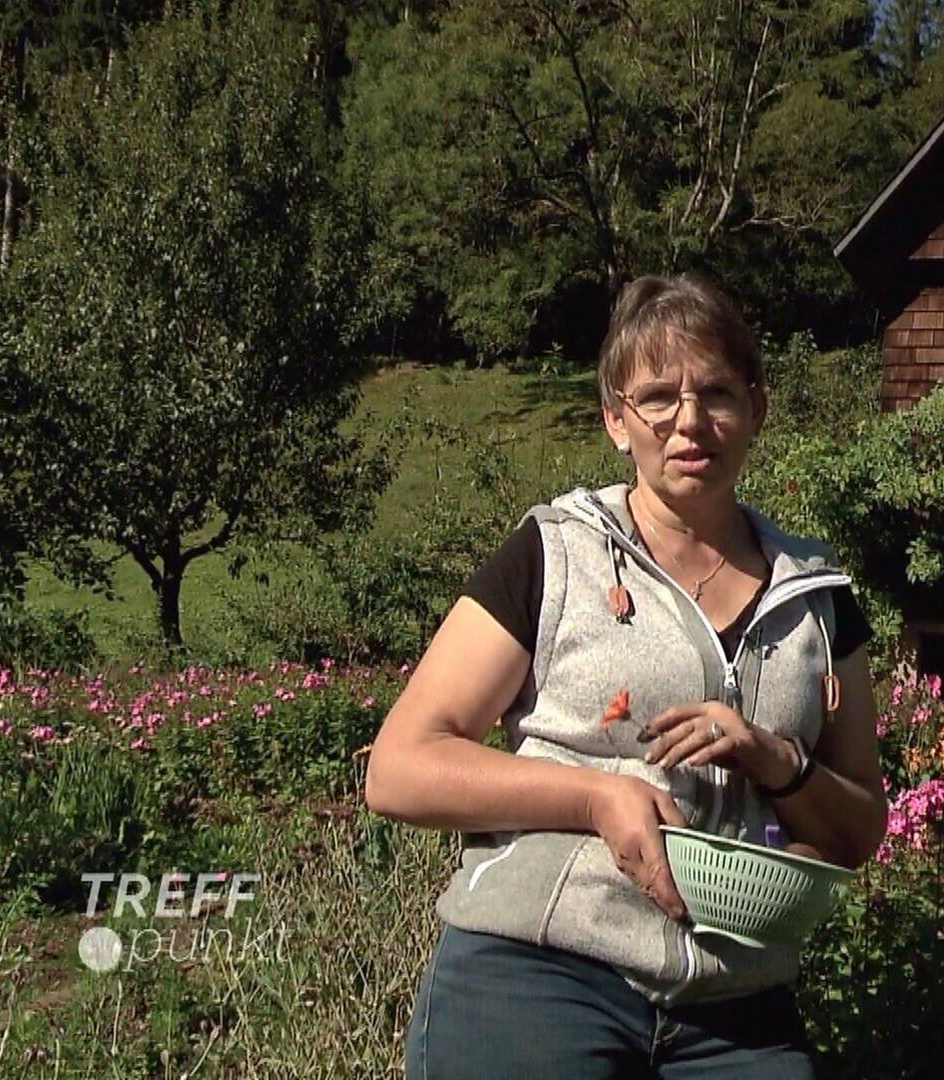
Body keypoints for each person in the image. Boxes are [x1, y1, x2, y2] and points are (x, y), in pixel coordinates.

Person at [364, 272, 890, 1079]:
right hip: (537, 976)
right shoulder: (554, 554)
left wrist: (777, 761)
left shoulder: (817, 597)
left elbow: (856, 834)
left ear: (757, 408)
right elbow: (400, 768)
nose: (690, 421)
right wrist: (595, 798)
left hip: (737, 1012)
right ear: (616, 418)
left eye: (717, 392)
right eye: (658, 397)